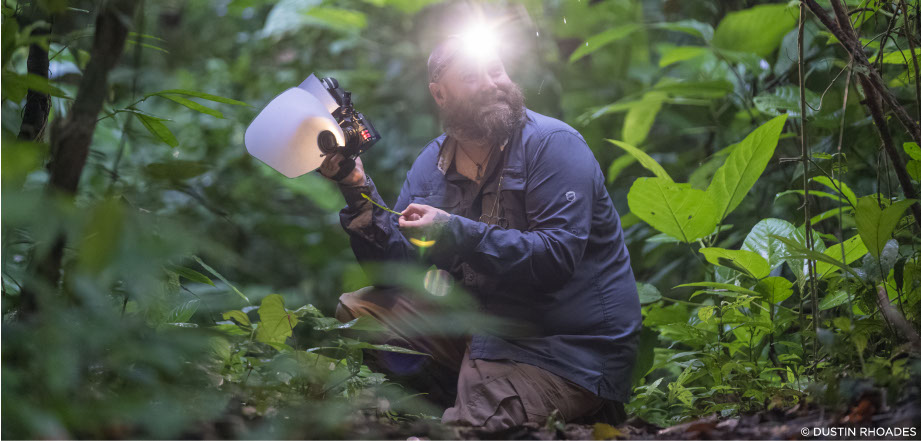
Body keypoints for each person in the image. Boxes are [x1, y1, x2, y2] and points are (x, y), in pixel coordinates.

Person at [318, 33, 642, 431]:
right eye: (472, 76)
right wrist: (355, 186)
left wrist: (455, 231)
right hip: (484, 330)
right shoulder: (431, 165)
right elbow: (397, 274)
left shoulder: (553, 146)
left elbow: (555, 259)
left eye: (496, 70)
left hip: (565, 349)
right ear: (440, 94)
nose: (492, 84)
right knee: (362, 313)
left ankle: (564, 408)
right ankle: (441, 410)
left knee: (471, 428)